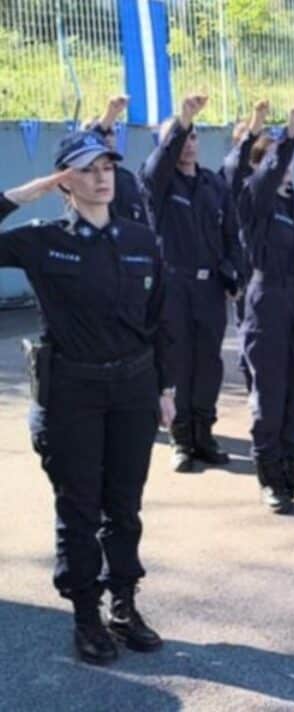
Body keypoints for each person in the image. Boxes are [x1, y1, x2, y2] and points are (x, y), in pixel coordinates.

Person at [1, 132, 172, 664]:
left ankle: (124, 602)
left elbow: (160, 321)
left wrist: (165, 388)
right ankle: (84, 614)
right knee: (78, 508)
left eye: (107, 167)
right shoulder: (42, 240)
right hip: (71, 393)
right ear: (64, 182)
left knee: (124, 504)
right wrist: (21, 195)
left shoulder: (141, 239)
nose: (101, 177)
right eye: (86, 169)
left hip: (132, 389)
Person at [238, 103, 294, 513]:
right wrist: (290, 134)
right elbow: (269, 172)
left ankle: (292, 467)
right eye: (275, 161)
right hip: (270, 301)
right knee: (271, 393)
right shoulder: (254, 200)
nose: (284, 167)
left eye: (287, 160)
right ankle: (270, 475)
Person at [141, 95, 241, 472]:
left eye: (193, 136)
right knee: (178, 362)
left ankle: (204, 433)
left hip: (209, 288)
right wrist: (182, 120)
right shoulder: (158, 183)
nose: (188, 143)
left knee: (209, 362)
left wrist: (234, 272)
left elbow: (232, 234)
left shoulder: (214, 184)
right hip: (174, 286)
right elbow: (158, 165)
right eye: (180, 138)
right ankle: (182, 439)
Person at [219, 100, 270, 394]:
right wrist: (256, 121)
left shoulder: (266, 177)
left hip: (267, 258)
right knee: (249, 322)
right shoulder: (234, 174)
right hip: (245, 258)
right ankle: (252, 381)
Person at [85, 96, 149, 226]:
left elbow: (142, 221)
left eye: (111, 133)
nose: (108, 138)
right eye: (104, 133)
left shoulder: (127, 178)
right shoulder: (81, 176)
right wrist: (110, 114)